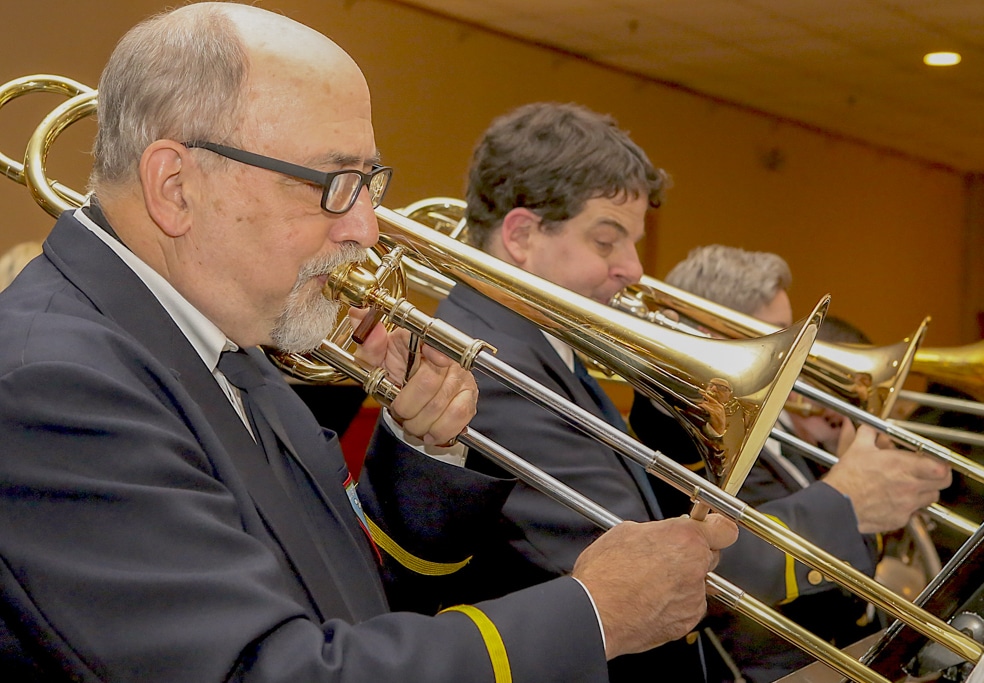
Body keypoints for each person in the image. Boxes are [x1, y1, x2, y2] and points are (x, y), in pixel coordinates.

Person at [0, 5, 738, 681]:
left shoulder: (225, 344)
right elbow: (271, 669)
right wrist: (593, 613)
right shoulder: (54, 383)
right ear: (175, 186)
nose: (366, 229)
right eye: (333, 183)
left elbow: (338, 590)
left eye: (369, 183)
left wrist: (421, 451)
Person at [430, 102, 738, 680]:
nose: (635, 270)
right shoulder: (489, 367)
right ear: (521, 236)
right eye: (607, 240)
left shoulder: (543, 348)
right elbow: (637, 559)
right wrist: (838, 503)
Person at [636, 244, 952, 682]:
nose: (799, 353)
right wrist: (850, 495)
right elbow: (747, 568)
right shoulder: (682, 430)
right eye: (775, 334)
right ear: (710, 335)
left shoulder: (781, 432)